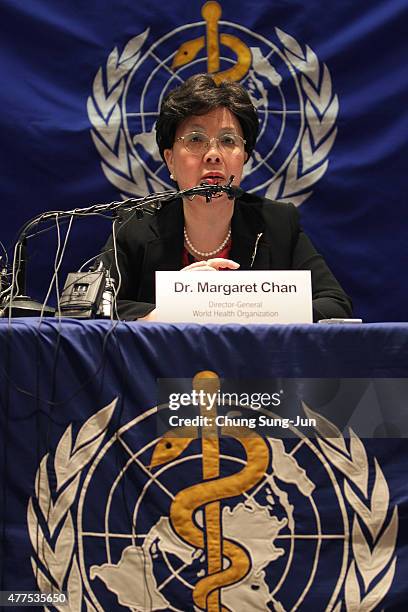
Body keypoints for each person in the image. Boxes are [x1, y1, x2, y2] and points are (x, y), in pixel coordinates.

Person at [101, 74, 352, 322]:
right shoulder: (134, 227)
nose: (213, 154)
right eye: (196, 139)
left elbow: (335, 304)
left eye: (228, 140)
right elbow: (87, 308)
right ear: (170, 160)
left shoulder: (276, 223)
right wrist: (164, 311)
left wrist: (235, 305)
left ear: (243, 157)